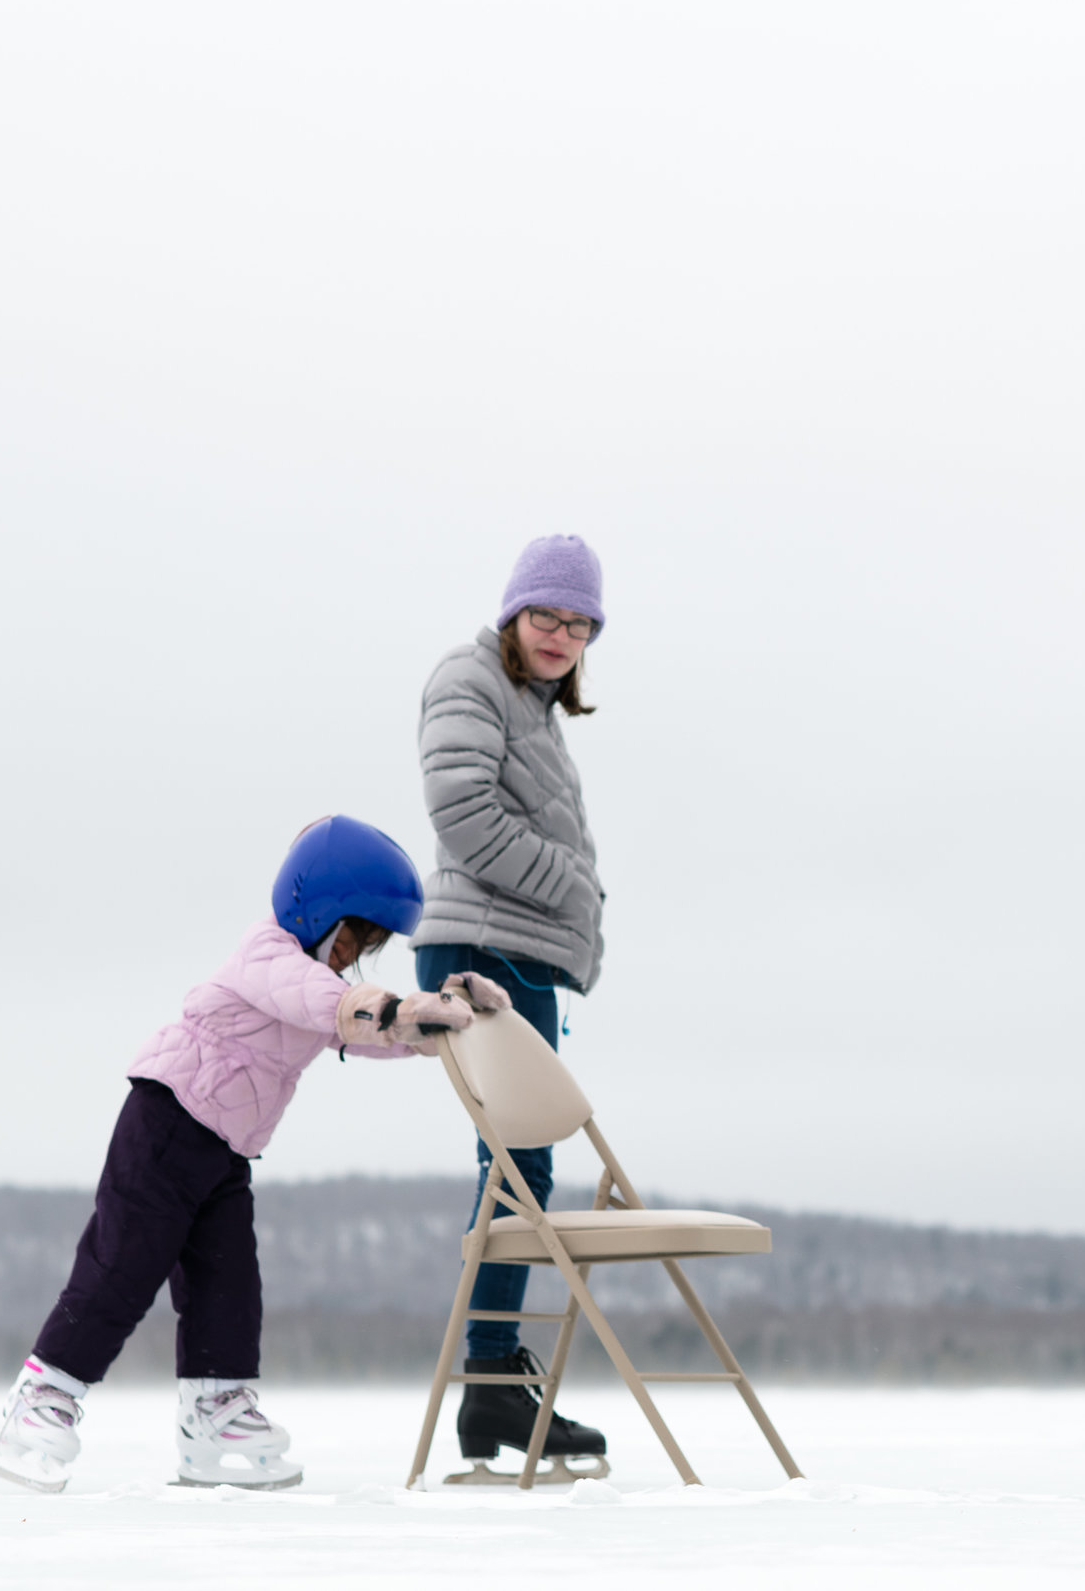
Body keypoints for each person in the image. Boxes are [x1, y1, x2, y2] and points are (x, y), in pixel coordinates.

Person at [0, 816, 511, 1494]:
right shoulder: (270, 955)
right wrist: (394, 1010)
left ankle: (215, 1412)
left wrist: (444, 1014)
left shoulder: (326, 985)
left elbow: (365, 1028)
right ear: (314, 905)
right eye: (352, 935)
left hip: (225, 1149)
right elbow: (329, 1002)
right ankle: (42, 1398)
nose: (352, 954)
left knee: (228, 1282)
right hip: (165, 1123)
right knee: (122, 1268)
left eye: (367, 945)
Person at [413, 533, 612, 1475]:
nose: (561, 636)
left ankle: (493, 1384)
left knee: (519, 1168)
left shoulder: (538, 708)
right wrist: (569, 884)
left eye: (579, 624)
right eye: (547, 616)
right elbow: (461, 811)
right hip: (484, 949)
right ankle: (490, 1378)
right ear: (512, 612)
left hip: (515, 948)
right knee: (517, 1168)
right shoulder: (469, 676)